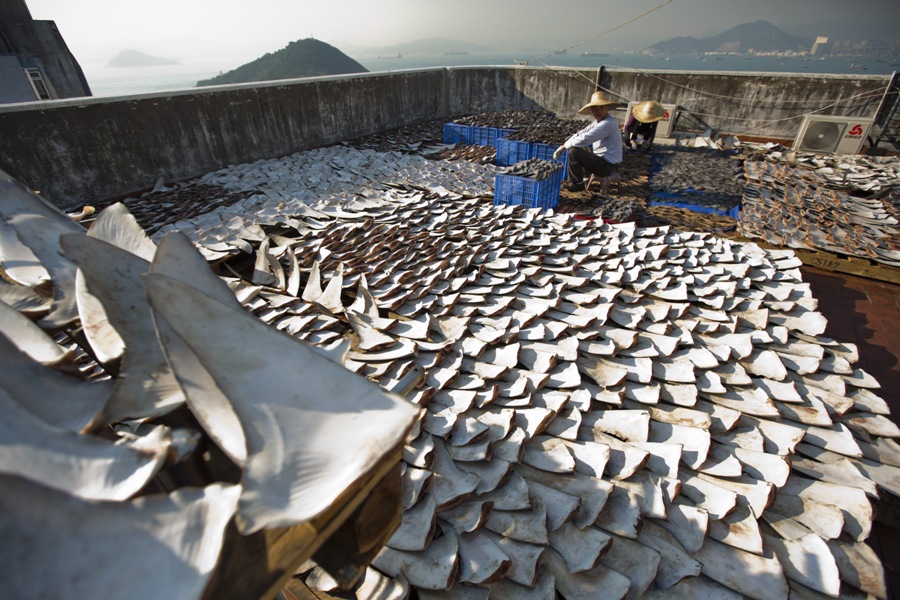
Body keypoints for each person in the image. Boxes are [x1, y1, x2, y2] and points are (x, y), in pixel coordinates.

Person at [553, 91, 623, 192]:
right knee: (581, 148)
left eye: (601, 108)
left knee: (574, 151)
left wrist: (565, 147)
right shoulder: (599, 122)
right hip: (603, 161)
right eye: (594, 108)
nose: (597, 111)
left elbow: (586, 138)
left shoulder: (608, 123)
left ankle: (576, 184)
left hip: (606, 166)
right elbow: (581, 133)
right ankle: (583, 177)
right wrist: (565, 144)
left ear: (607, 108)